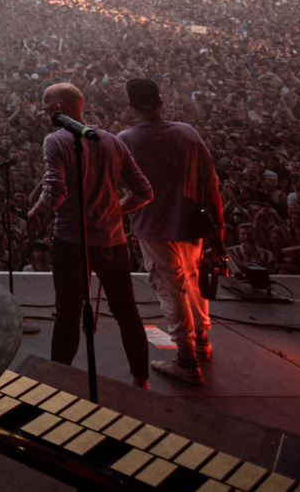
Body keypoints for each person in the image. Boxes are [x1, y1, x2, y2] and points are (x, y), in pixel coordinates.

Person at [27, 83, 155, 389]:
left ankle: (58, 383)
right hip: (113, 243)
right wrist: (114, 211)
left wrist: (36, 213)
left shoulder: (56, 140)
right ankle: (141, 381)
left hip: (72, 243)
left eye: (46, 105)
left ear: (60, 104)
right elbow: (144, 192)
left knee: (68, 314)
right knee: (127, 311)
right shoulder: (112, 141)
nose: (44, 111)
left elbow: (55, 192)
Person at [119, 77, 223, 385]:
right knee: (194, 279)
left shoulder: (127, 139)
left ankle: (186, 360)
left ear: (131, 106)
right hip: (192, 223)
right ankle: (202, 341)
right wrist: (219, 228)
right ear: (161, 102)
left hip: (152, 225)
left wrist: (114, 212)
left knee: (170, 286)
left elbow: (122, 187)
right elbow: (210, 182)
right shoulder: (187, 133)